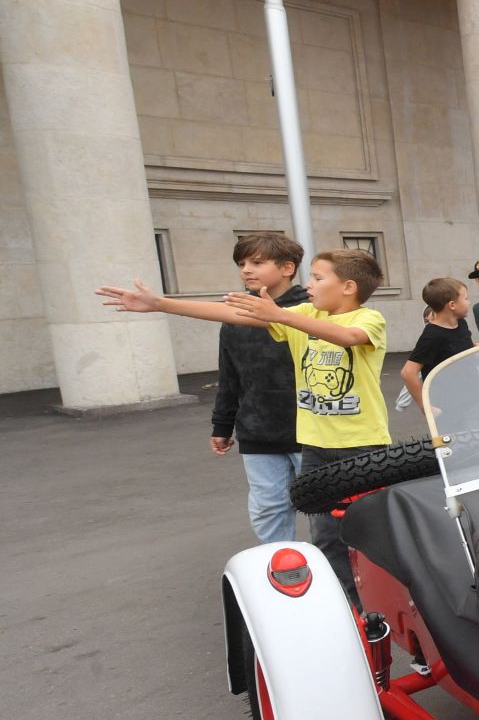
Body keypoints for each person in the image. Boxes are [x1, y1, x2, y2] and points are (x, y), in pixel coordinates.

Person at [98, 250, 390, 602]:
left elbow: (349, 337)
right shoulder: (303, 314)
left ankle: (393, 602)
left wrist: (279, 315)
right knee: (327, 535)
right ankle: (351, 608)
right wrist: (161, 303)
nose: (308, 285)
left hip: (362, 447)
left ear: (348, 286)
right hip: (315, 447)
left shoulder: (369, 318)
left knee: (371, 532)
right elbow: (232, 313)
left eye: (317, 278)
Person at [210, 233, 308, 543]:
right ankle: (282, 568)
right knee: (269, 507)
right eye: (241, 263)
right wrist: (222, 425)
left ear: (287, 268)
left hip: (312, 431)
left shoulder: (312, 310)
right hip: (257, 430)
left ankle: (341, 575)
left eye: (257, 262)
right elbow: (230, 377)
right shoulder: (236, 315)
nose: (246, 270)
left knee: (326, 508)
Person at [401, 277, 474, 409]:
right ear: (452, 305)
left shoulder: (461, 323)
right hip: (447, 405)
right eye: (466, 298)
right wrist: (425, 406)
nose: (469, 302)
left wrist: (475, 348)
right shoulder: (432, 335)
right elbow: (408, 372)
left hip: (472, 399)